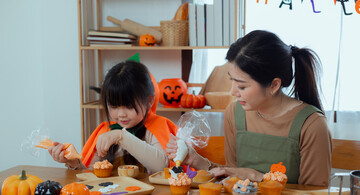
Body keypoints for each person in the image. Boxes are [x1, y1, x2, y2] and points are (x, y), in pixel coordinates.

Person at [167, 30, 332, 186]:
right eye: (232, 81)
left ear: (274, 85)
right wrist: (196, 160)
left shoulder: (312, 125)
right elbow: (233, 177)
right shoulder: (234, 113)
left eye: (242, 86)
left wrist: (256, 176)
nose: (232, 92)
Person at [48, 60, 177, 174]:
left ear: (149, 101)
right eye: (114, 107)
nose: (121, 114)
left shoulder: (156, 128)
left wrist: (121, 136)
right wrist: (74, 163)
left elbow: (162, 167)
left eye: (129, 106)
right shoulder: (106, 132)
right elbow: (91, 174)